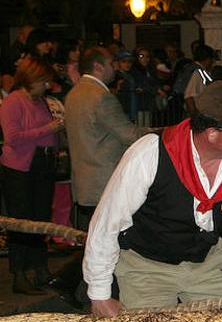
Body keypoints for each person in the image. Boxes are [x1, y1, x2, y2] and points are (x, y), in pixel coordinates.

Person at [82, 81, 222, 316]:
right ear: (212, 134)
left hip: (209, 263)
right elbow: (107, 223)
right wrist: (99, 294)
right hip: (146, 267)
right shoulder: (150, 153)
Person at [0, 58, 65, 294]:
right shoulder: (13, 102)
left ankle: (40, 269)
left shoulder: (40, 101)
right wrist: (49, 129)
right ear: (32, 79)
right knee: (21, 221)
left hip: (41, 166)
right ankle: (19, 274)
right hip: (20, 169)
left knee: (40, 218)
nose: (47, 86)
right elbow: (13, 138)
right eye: (44, 81)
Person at [64, 47, 148, 224]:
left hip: (84, 183)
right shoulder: (101, 97)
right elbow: (129, 135)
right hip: (105, 184)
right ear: (98, 66)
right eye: (111, 63)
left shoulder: (74, 93)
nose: (116, 67)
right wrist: (162, 133)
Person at [178, 44, 216, 116]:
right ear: (207, 59)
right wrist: (194, 116)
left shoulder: (190, 68)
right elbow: (189, 97)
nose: (213, 62)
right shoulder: (198, 72)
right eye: (212, 59)